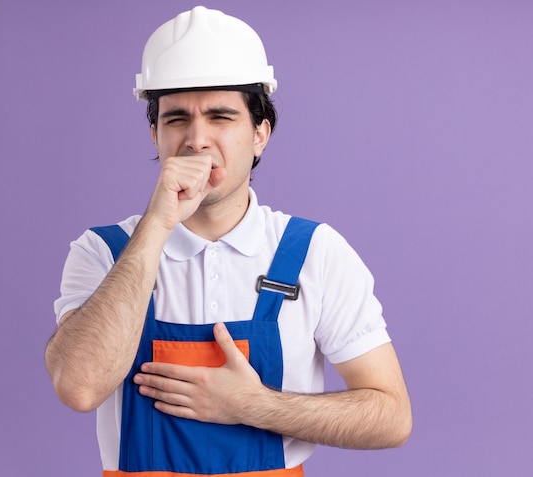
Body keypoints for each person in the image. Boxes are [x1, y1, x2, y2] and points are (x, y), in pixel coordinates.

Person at [45, 5, 412, 476]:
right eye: (177, 119)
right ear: (155, 135)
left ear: (260, 134)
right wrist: (156, 225)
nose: (197, 140)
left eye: (221, 117)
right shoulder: (103, 252)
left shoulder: (314, 253)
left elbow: (391, 417)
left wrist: (256, 406)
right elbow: (79, 387)